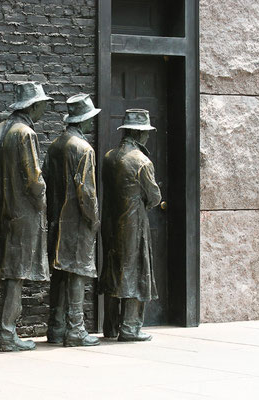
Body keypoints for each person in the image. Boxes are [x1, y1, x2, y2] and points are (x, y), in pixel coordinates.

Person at [0, 82, 50, 352]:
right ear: (32, 106)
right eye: (43, 104)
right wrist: (41, 201)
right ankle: (7, 334)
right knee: (13, 275)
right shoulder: (25, 134)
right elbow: (34, 179)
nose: (45, 108)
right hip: (20, 215)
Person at [44, 94, 101, 347]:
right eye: (91, 119)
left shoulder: (56, 145)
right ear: (83, 120)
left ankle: (55, 327)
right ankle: (75, 329)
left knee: (60, 273)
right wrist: (94, 219)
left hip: (56, 218)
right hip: (76, 220)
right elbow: (86, 191)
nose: (92, 124)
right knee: (77, 273)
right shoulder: (83, 149)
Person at [100, 109, 161, 342]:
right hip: (133, 223)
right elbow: (154, 196)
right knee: (134, 272)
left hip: (111, 222)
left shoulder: (109, 156)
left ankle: (111, 326)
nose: (147, 137)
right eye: (145, 133)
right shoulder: (141, 161)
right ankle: (129, 327)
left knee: (114, 269)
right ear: (137, 133)